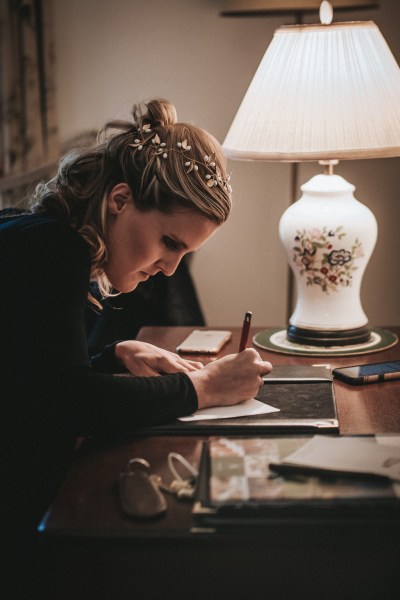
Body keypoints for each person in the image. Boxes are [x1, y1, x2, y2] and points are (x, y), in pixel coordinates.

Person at [0, 98, 272, 596]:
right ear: (120, 199)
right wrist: (203, 388)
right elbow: (69, 404)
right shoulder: (53, 251)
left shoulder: (44, 239)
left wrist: (116, 353)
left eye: (184, 253)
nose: (169, 268)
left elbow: (30, 383)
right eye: (169, 242)